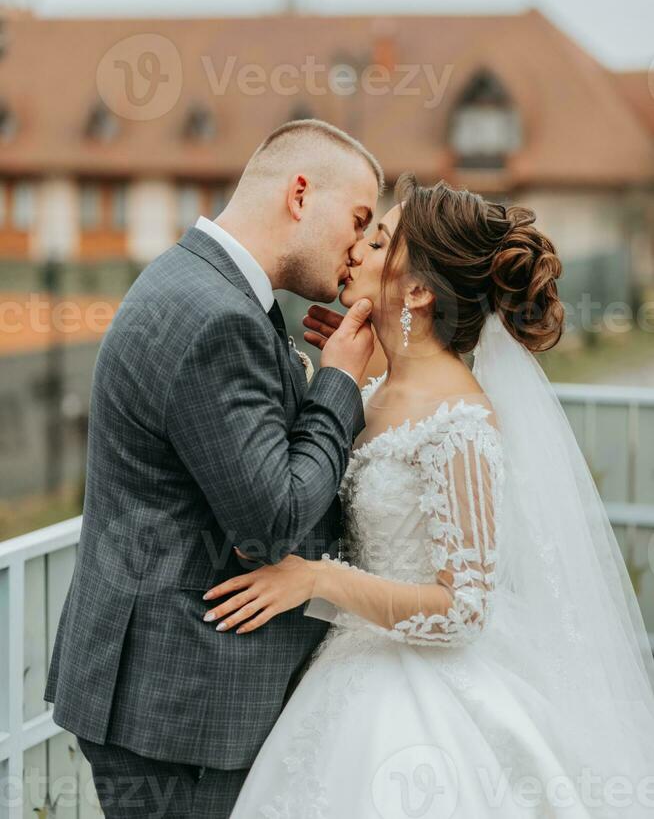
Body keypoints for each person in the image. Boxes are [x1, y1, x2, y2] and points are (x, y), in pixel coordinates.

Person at [212, 175, 654, 818]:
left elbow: (463, 610)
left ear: (416, 289)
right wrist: (344, 375)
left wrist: (315, 580)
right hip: (346, 674)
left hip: (424, 704)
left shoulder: (461, 424)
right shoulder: (372, 394)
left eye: (380, 239)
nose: (357, 248)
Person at [44, 119, 383, 818]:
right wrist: (339, 385)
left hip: (166, 693)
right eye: (357, 220)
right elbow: (272, 522)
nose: (357, 249)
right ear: (299, 195)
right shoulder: (216, 319)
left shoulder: (201, 281)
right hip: (180, 714)